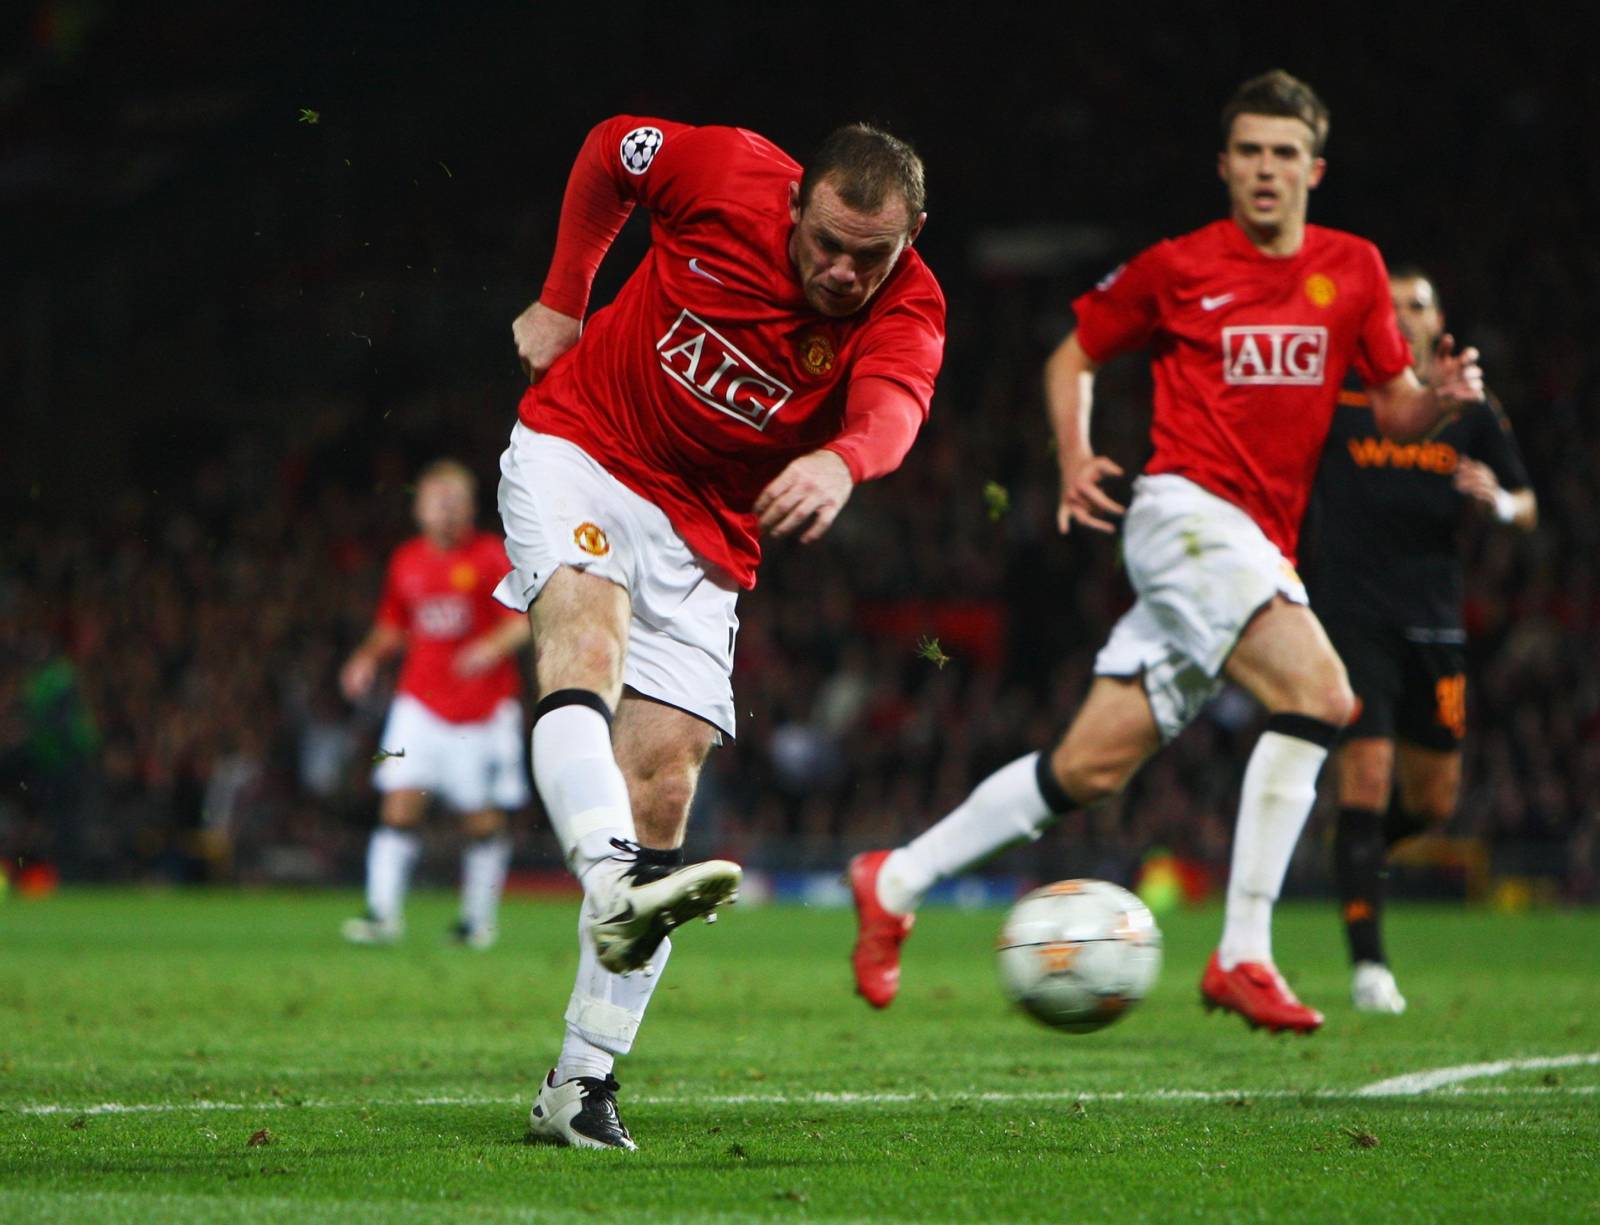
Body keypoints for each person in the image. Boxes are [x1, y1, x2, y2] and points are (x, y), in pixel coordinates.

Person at [848, 69, 1483, 1034]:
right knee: (1321, 694)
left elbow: (1391, 400)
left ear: (1314, 168)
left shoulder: (1352, 268)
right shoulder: (1180, 267)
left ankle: (893, 878)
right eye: (1250, 152)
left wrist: (1436, 400)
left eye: (1285, 154)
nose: (1267, 170)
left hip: (1257, 543)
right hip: (1185, 514)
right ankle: (1244, 953)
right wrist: (1073, 458)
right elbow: (1074, 355)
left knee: (1088, 768)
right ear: (1224, 165)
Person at [499, 115, 945, 1148]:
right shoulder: (725, 169)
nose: (839, 270)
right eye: (824, 242)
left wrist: (845, 462)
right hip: (582, 446)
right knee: (586, 640)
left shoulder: (911, 309)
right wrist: (566, 296)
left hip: (704, 533)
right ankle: (613, 880)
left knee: (662, 780)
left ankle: (579, 1081)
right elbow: (612, 147)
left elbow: (894, 407)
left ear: (911, 237)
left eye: (866, 255)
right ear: (794, 203)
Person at [1305, 267, 1536, 1014]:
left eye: (1418, 305)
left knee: (1432, 800)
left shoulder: (1469, 411)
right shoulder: (1340, 398)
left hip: (1435, 623)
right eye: (1391, 305)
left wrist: (1498, 502)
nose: (1403, 316)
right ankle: (1370, 965)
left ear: (1440, 324)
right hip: (1352, 620)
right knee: (1367, 778)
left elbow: (1528, 503)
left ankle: (1354, 847)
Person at [340, 459, 531, 949]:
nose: (445, 511)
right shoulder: (406, 561)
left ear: (470, 507)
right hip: (417, 707)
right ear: (420, 508)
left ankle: (476, 920)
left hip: (483, 711)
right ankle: (381, 913)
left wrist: (489, 648)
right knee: (397, 795)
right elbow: (393, 623)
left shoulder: (490, 556)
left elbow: (524, 620)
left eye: (454, 501)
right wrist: (365, 658)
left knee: (481, 816)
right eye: (435, 501)